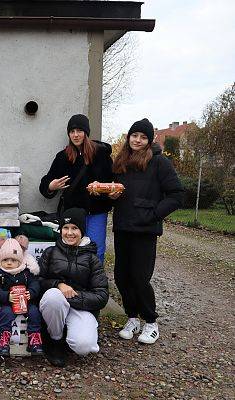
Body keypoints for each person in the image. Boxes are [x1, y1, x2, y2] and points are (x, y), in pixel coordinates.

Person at [108, 118, 183, 345]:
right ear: (128, 137)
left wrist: (153, 214)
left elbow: (177, 195)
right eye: (134, 136)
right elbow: (118, 191)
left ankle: (151, 322)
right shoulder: (121, 161)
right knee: (122, 277)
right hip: (123, 227)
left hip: (145, 230)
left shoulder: (159, 163)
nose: (137, 140)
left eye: (143, 137)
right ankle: (132, 318)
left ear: (149, 141)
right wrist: (112, 196)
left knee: (140, 278)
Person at [38, 208, 109, 367]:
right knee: (53, 297)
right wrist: (59, 285)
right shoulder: (50, 252)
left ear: (82, 231)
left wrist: (72, 297)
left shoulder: (93, 259)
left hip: (81, 307)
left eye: (75, 228)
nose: (70, 233)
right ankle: (55, 339)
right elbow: (38, 281)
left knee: (83, 347)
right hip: (54, 304)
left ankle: (71, 335)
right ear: (60, 229)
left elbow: (101, 296)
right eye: (66, 227)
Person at [39, 114, 113, 264]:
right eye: (72, 131)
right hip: (72, 213)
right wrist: (50, 186)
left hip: (96, 212)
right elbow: (46, 183)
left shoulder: (101, 154)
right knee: (71, 251)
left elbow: (113, 182)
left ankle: (96, 284)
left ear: (86, 133)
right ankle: (73, 283)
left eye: (79, 131)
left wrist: (103, 188)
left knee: (96, 249)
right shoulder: (63, 157)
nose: (75, 135)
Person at [0, 236, 44, 357]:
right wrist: (6, 296)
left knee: (34, 312)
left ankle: (34, 339)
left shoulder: (26, 272)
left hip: (25, 302)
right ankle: (4, 341)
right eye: (5, 260)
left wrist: (31, 292)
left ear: (19, 261)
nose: (9, 263)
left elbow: (35, 284)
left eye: (13, 260)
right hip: (6, 303)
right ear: (0, 261)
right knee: (6, 313)